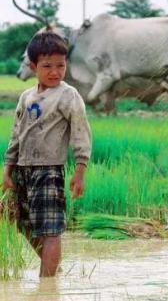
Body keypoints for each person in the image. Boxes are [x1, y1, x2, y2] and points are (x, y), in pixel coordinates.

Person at [2, 31, 92, 277]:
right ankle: (54, 269)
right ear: (33, 67)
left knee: (50, 229)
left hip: (49, 170)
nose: (55, 72)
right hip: (23, 169)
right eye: (47, 66)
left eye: (60, 65)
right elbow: (16, 134)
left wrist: (80, 171)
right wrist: (8, 169)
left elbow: (81, 133)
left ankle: (48, 284)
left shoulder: (67, 95)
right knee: (21, 223)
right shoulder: (26, 97)